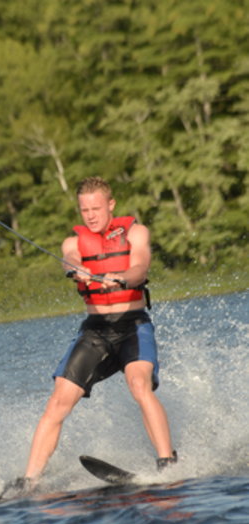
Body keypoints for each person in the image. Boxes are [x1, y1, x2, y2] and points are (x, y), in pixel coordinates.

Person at [23, 176, 176, 486]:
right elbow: (70, 260)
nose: (90, 215)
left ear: (111, 205)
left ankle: (167, 464)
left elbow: (140, 268)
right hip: (95, 332)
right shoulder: (72, 243)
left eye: (96, 208)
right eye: (84, 210)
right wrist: (76, 269)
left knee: (139, 385)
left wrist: (122, 278)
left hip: (133, 326)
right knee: (58, 400)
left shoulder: (137, 233)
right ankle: (29, 480)